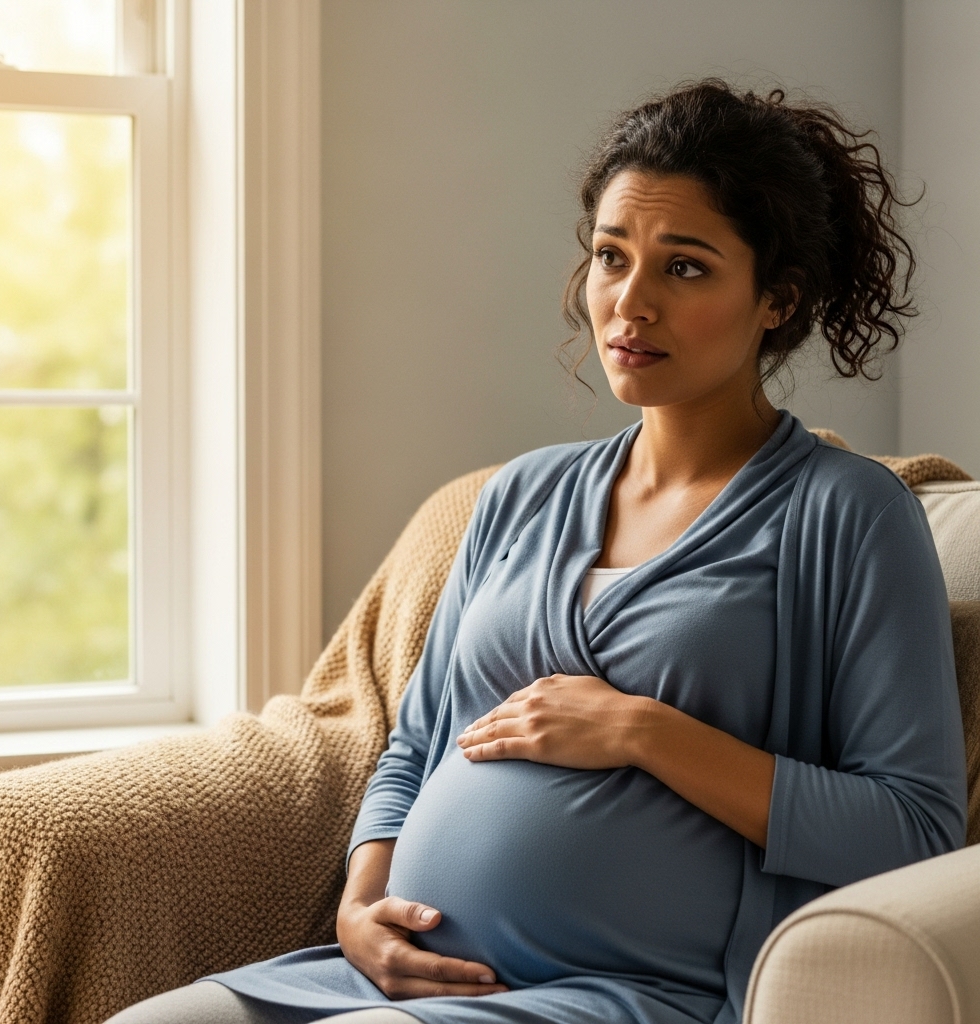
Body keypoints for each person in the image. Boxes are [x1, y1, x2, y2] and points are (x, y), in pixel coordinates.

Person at [108, 80, 968, 1024]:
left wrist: (645, 732)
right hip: (384, 974)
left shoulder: (849, 516)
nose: (628, 303)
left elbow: (915, 829)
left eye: (684, 268)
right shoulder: (521, 494)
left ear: (777, 300)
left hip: (635, 993)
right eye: (611, 256)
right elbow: (415, 746)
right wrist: (360, 910)